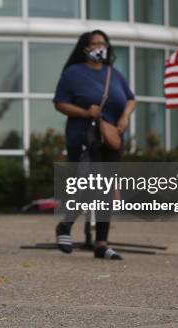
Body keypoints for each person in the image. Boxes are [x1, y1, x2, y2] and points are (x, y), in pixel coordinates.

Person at [53, 29, 136, 260]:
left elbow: (130, 99)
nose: (100, 47)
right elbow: (59, 103)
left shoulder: (114, 74)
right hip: (84, 138)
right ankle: (65, 226)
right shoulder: (73, 73)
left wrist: (124, 117)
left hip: (111, 139)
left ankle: (101, 243)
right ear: (85, 48)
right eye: (95, 43)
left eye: (103, 43)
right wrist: (84, 111)